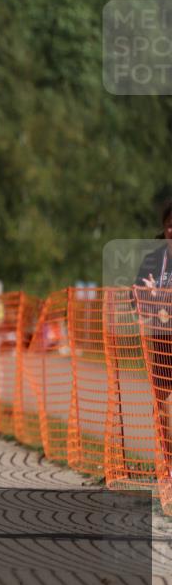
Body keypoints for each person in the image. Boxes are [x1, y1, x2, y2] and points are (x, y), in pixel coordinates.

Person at [136, 197, 172, 475]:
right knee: (164, 409)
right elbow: (133, 301)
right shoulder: (153, 259)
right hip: (161, 344)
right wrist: (145, 298)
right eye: (170, 225)